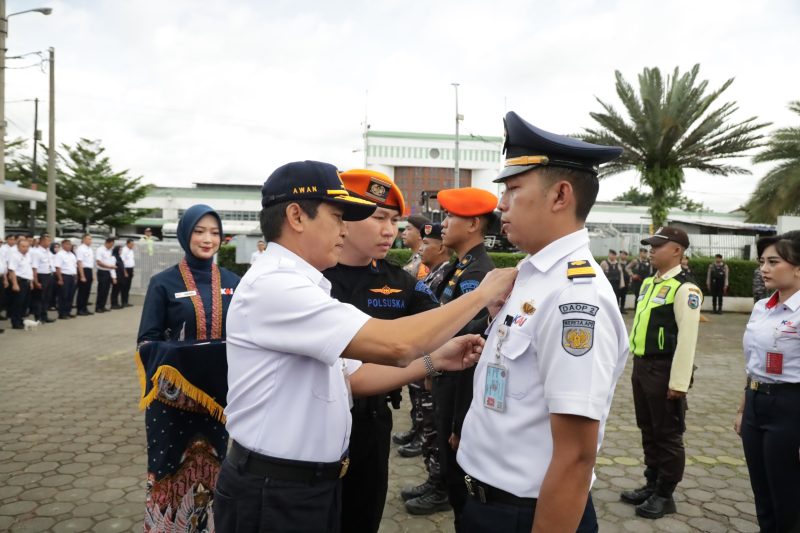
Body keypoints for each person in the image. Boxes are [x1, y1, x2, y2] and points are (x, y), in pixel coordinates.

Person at [214, 160, 517, 533]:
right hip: (276, 491)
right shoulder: (277, 286)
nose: (345, 229)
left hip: (306, 485)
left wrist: (435, 359)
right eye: (338, 215)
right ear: (296, 215)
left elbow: (352, 376)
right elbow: (398, 344)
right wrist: (483, 293)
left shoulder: (304, 284)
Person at [456, 111, 629, 533]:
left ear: (560, 196)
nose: (501, 205)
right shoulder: (534, 276)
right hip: (484, 499)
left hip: (525, 513)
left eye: (513, 190)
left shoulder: (574, 295)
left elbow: (574, 458)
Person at [322, 169, 440, 533]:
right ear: (346, 217)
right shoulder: (312, 278)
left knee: (363, 515)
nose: (390, 230)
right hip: (316, 420)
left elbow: (438, 325)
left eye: (394, 220)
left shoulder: (399, 281)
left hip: (370, 421)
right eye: (379, 218)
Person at [136, 204, 241, 533]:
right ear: (185, 234)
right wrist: (187, 356)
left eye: (214, 232)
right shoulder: (162, 283)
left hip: (217, 403)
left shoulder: (235, 283)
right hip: (172, 404)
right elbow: (146, 342)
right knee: (169, 469)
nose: (208, 239)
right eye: (199, 231)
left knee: (217, 470)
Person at [421, 186, 497, 528]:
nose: (444, 222)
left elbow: (473, 346)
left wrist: (460, 421)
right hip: (446, 379)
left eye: (452, 216)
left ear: (473, 225)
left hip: (458, 387)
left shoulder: (478, 273)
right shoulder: (461, 267)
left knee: (457, 479)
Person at [623, 226, 702, 519]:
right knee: (648, 428)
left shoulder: (686, 288)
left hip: (665, 369)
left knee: (667, 434)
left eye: (658, 246)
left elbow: (687, 339)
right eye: (650, 246)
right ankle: (652, 483)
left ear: (677, 251)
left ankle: (665, 494)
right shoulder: (648, 283)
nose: (651, 251)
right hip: (642, 366)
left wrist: (679, 383)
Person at [734, 231, 800, 533]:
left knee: (787, 495)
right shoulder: (763, 306)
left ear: (798, 267)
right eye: (762, 262)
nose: (764, 269)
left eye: (773, 262)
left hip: (790, 406)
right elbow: (755, 363)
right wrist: (742, 408)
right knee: (761, 491)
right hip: (756, 402)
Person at [403, 222, 455, 516]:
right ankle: (433, 478)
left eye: (427, 243)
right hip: (426, 359)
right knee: (427, 424)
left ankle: (440, 487)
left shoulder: (456, 273)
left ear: (441, 247)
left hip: (438, 362)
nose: (421, 247)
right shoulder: (437, 273)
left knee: (435, 427)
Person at [6, 237, 34, 330]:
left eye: (27, 246)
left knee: (24, 303)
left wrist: (31, 282)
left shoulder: (28, 256)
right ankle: (15, 322)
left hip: (27, 281)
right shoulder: (14, 256)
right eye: (23, 246)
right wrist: (14, 284)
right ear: (18, 247)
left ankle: (20, 319)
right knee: (17, 303)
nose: (25, 248)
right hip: (19, 281)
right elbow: (12, 270)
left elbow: (29, 269)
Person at [30, 234, 56, 323]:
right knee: (39, 297)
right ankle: (38, 317)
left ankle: (44, 315)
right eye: (47, 241)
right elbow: (34, 267)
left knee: (47, 297)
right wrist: (36, 281)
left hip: (49, 275)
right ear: (41, 241)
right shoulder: (36, 252)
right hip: (41, 275)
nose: (49, 243)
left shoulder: (49, 252)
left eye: (50, 241)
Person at [402, 214, 431, 280]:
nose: (404, 233)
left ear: (420, 234)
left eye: (408, 229)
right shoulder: (415, 257)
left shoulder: (424, 261)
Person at [54, 239, 78, 319]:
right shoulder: (60, 254)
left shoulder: (72, 254)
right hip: (64, 276)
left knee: (70, 295)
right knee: (63, 295)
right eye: (67, 244)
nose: (69, 246)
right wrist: (60, 279)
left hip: (72, 276)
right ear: (63, 245)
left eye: (70, 244)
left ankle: (68, 311)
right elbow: (58, 267)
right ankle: (62, 313)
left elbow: (74, 266)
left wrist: (75, 276)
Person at [601, 249, 627, 314]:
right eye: (611, 254)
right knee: (607, 297)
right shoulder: (604, 263)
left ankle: (615, 311)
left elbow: (621, 274)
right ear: (609, 255)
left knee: (616, 297)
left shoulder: (617, 263)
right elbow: (600, 274)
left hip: (616, 284)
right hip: (607, 284)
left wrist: (622, 284)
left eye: (614, 255)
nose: (613, 256)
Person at [75, 235, 95, 316]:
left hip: (89, 270)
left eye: (91, 239)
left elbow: (91, 263)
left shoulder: (90, 249)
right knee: (82, 291)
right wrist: (82, 275)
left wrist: (93, 274)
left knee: (87, 291)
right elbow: (79, 262)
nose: (91, 240)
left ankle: (84, 308)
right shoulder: (81, 249)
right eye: (89, 239)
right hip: (83, 270)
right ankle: (80, 309)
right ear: (84, 239)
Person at [95, 237, 116, 313]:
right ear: (107, 243)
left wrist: (111, 270)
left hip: (108, 272)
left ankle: (103, 306)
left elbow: (110, 262)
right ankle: (98, 307)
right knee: (101, 290)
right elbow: (98, 262)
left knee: (106, 290)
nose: (112, 246)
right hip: (102, 272)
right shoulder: (100, 250)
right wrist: (109, 266)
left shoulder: (109, 251)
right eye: (111, 244)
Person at [110, 245, 127, 309]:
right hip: (116, 276)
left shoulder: (119, 257)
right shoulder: (113, 257)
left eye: (121, 250)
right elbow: (112, 268)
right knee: (115, 290)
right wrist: (114, 278)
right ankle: (113, 304)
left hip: (120, 276)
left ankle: (116, 303)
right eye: (120, 250)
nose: (121, 251)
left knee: (118, 290)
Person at [120, 239, 136, 307]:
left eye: (133, 244)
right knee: (124, 286)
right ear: (128, 244)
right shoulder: (124, 250)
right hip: (125, 270)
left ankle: (126, 301)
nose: (133, 245)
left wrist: (132, 271)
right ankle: (123, 302)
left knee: (128, 287)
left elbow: (131, 260)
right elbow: (122, 261)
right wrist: (125, 272)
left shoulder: (131, 250)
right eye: (131, 244)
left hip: (130, 269)